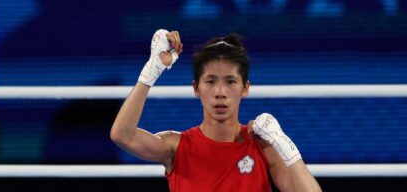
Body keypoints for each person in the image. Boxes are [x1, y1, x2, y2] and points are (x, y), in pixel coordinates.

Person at [110, 29, 322, 192]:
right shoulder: (177, 146)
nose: (220, 92)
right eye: (210, 81)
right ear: (196, 88)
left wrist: (284, 143)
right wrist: (151, 70)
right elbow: (122, 136)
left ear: (245, 88)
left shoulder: (263, 146)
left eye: (230, 81)